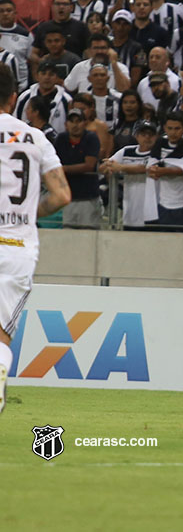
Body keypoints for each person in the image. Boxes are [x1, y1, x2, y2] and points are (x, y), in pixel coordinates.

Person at [0, 63, 71, 415]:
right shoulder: (35, 137)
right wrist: (28, 214)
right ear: (14, 98)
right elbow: (61, 195)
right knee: (1, 335)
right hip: (16, 247)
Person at [146, 111, 183, 230]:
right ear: (164, 128)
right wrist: (157, 169)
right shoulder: (160, 142)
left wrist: (162, 170)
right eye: (170, 128)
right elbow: (151, 165)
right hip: (163, 203)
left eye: (177, 128)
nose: (173, 132)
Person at [99, 120, 159, 229]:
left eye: (151, 135)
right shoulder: (127, 151)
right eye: (143, 134)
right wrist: (109, 166)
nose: (147, 138)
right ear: (136, 136)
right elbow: (103, 167)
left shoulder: (158, 152)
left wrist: (120, 168)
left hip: (152, 210)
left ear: (156, 137)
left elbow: (145, 169)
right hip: (130, 210)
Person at [55, 108, 102, 228]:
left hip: (88, 198)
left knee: (89, 237)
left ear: (85, 123)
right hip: (68, 198)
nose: (75, 125)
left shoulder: (91, 138)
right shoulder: (61, 139)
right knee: (68, 236)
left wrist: (64, 169)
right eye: (72, 121)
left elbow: (89, 166)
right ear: (66, 124)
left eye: (78, 121)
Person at [16, 62, 73, 135]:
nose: (47, 77)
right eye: (43, 73)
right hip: (27, 142)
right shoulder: (24, 97)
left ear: (57, 77)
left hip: (56, 143)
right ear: (37, 76)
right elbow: (16, 120)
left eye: (51, 74)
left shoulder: (66, 100)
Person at [110, 9, 147, 87]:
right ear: (112, 24)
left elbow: (136, 76)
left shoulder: (138, 48)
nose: (121, 27)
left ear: (130, 26)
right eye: (118, 23)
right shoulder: (106, 45)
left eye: (125, 24)